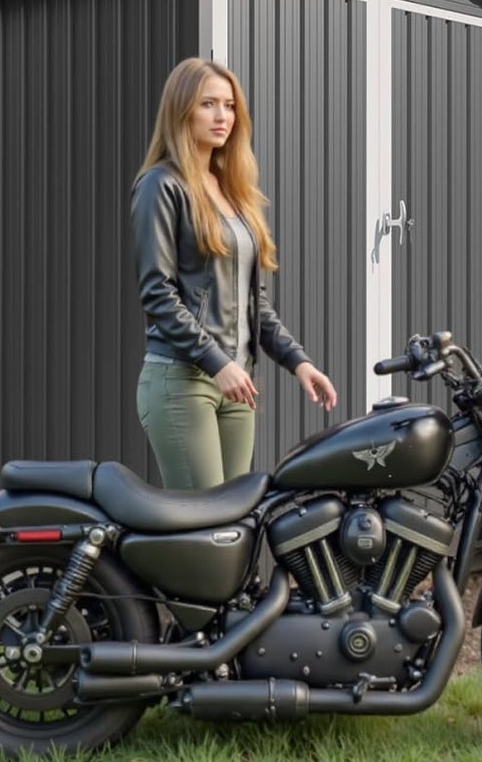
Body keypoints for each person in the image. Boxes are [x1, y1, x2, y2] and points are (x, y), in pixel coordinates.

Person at [130, 58, 336, 489]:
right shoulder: (161, 185)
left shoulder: (233, 191)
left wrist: (298, 362)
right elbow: (157, 292)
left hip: (237, 384)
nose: (223, 116)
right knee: (202, 526)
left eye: (229, 105)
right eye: (208, 104)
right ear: (181, 110)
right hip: (182, 381)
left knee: (233, 525)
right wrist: (216, 362)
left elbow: (254, 303)